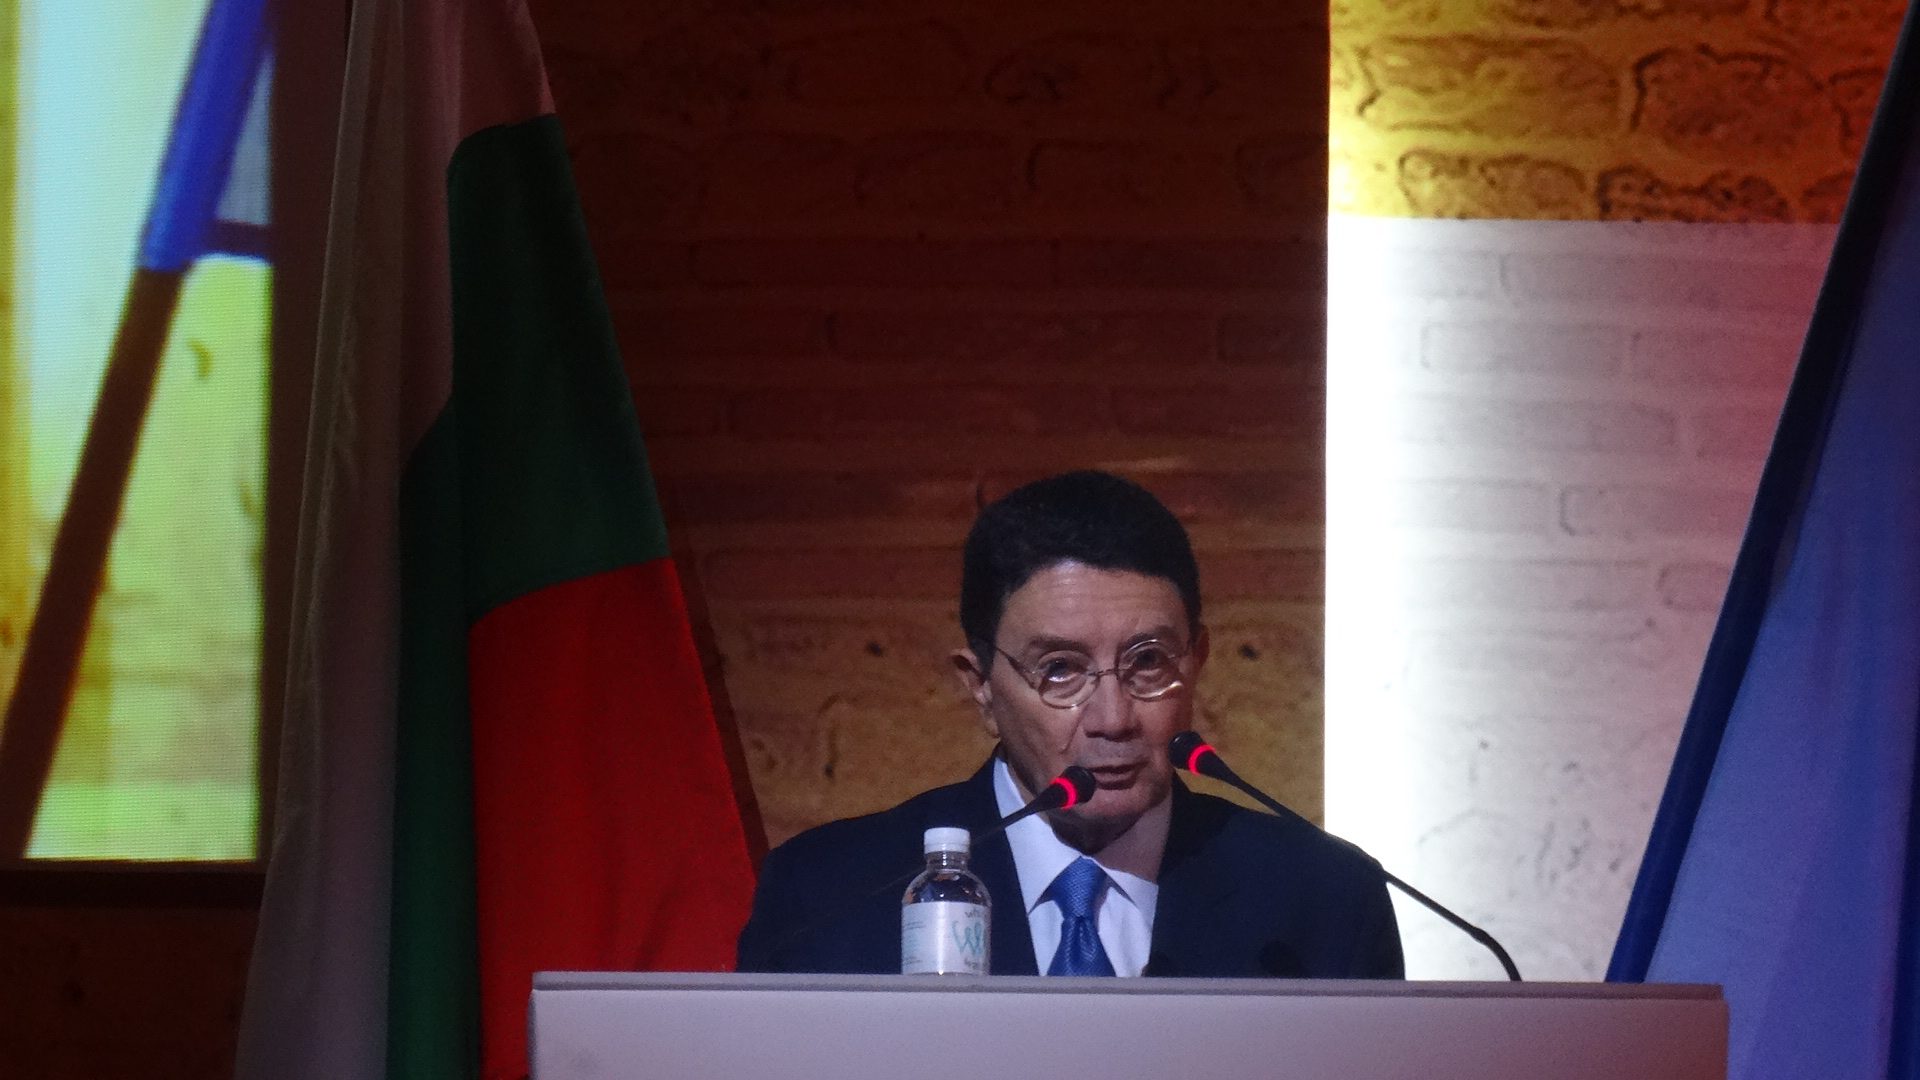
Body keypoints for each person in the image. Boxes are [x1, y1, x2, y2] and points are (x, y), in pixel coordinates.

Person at [735, 470, 1403, 978]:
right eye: (1059, 670)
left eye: (1148, 662)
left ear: (1197, 660)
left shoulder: (1326, 899)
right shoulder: (830, 896)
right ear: (981, 686)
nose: (1113, 719)